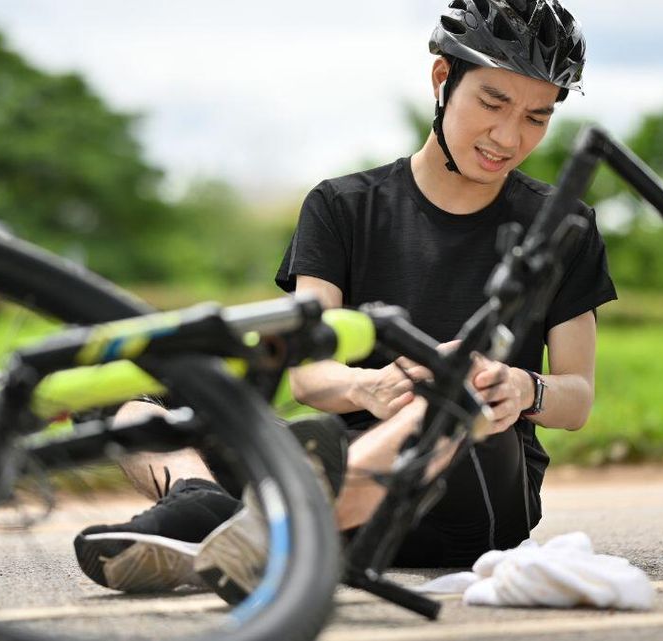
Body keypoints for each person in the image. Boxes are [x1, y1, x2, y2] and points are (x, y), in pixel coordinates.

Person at [74, 0, 614, 598]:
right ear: (442, 79)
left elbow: (578, 398)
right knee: (129, 387)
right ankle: (203, 503)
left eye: (537, 118)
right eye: (492, 103)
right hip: (333, 456)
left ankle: (260, 526)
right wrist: (368, 388)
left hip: (472, 491)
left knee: (459, 383)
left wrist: (522, 388)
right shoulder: (341, 206)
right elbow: (308, 375)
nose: (509, 136)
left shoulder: (563, 226)